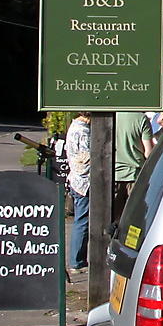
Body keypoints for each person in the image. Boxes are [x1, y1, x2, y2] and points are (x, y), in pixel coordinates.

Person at [113, 112, 154, 221]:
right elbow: (148, 153)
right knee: (134, 219)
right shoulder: (141, 119)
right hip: (135, 175)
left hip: (114, 175)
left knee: (114, 218)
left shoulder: (112, 115)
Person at [65, 111, 91, 272]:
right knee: (82, 222)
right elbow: (87, 157)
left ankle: (77, 259)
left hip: (75, 179)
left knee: (80, 221)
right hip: (83, 182)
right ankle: (77, 261)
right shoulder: (83, 132)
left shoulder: (74, 127)